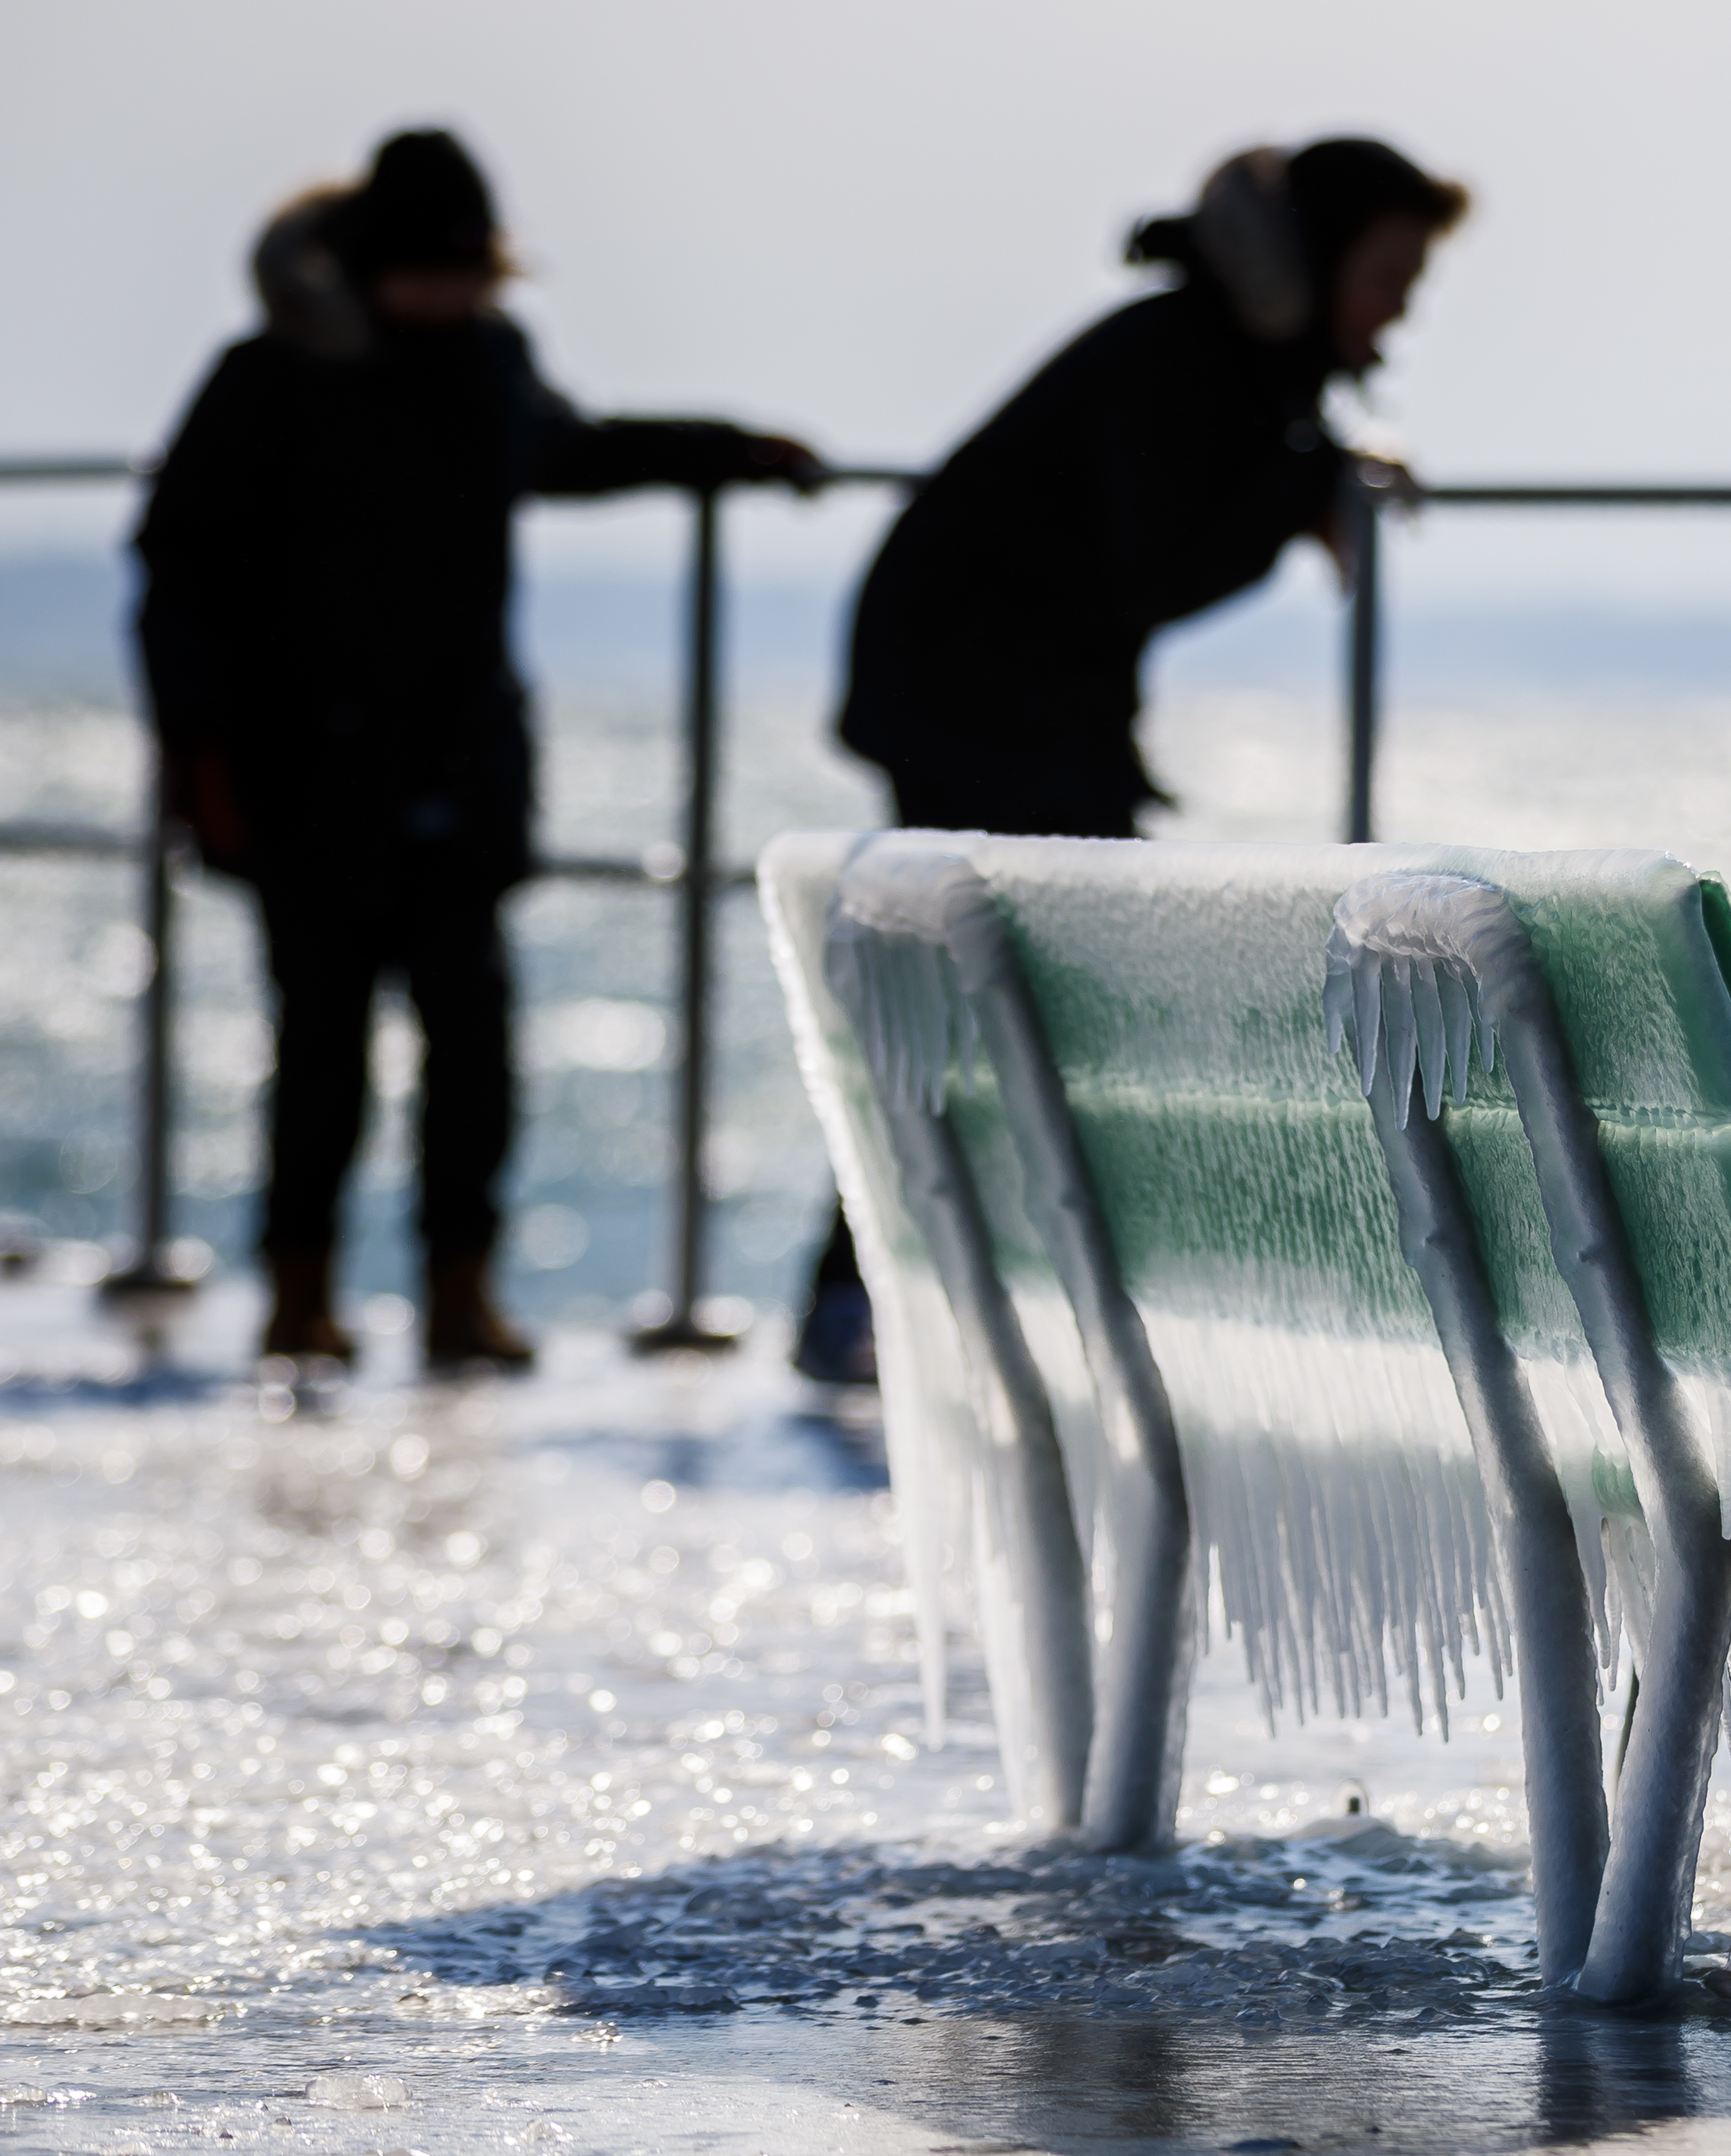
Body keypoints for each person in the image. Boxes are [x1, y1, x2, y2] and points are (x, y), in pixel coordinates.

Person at [136, 128, 822, 1372]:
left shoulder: (491, 364)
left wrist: (731, 448)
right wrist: (199, 752)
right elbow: (176, 564)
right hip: (304, 776)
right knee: (322, 1050)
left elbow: (574, 450)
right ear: (365, 264)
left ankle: (462, 1293)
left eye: (473, 273)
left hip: (459, 763)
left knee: (474, 1048)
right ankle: (300, 1295)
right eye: (433, 272)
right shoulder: (269, 375)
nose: (456, 296)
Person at [794, 137, 1468, 1383]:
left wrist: (1307, 470)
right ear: (1311, 267)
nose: (1397, 311)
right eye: (1386, 275)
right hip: (976, 698)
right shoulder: (1180, 359)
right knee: (1001, 995)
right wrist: (1303, 483)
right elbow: (1159, 560)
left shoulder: (1223, 364)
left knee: (1001, 996)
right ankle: (874, 1300)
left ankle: (911, 1296)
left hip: (1008, 698)